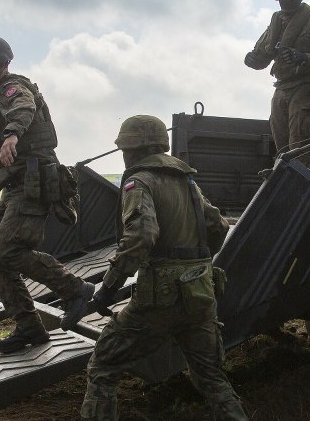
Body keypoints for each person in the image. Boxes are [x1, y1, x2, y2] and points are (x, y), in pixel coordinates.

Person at [80, 115, 248, 421]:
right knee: (210, 378)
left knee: (103, 365)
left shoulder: (138, 182)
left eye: (125, 148)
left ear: (133, 149)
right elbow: (219, 227)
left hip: (159, 299)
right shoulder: (187, 181)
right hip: (200, 295)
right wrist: (194, 264)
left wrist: (107, 290)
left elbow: (141, 237)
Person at [0, 36, 93, 353]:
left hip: (33, 181)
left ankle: (76, 289)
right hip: (14, 186)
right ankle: (28, 326)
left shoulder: (14, 89)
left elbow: (24, 107)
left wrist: (12, 135)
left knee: (9, 249)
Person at [244, 0, 310, 173]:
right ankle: (287, 187)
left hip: (307, 86)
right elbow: (263, 54)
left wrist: (303, 57)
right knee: (282, 149)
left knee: (301, 150)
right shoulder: (276, 22)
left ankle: (309, 196)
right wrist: (253, 59)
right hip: (282, 86)